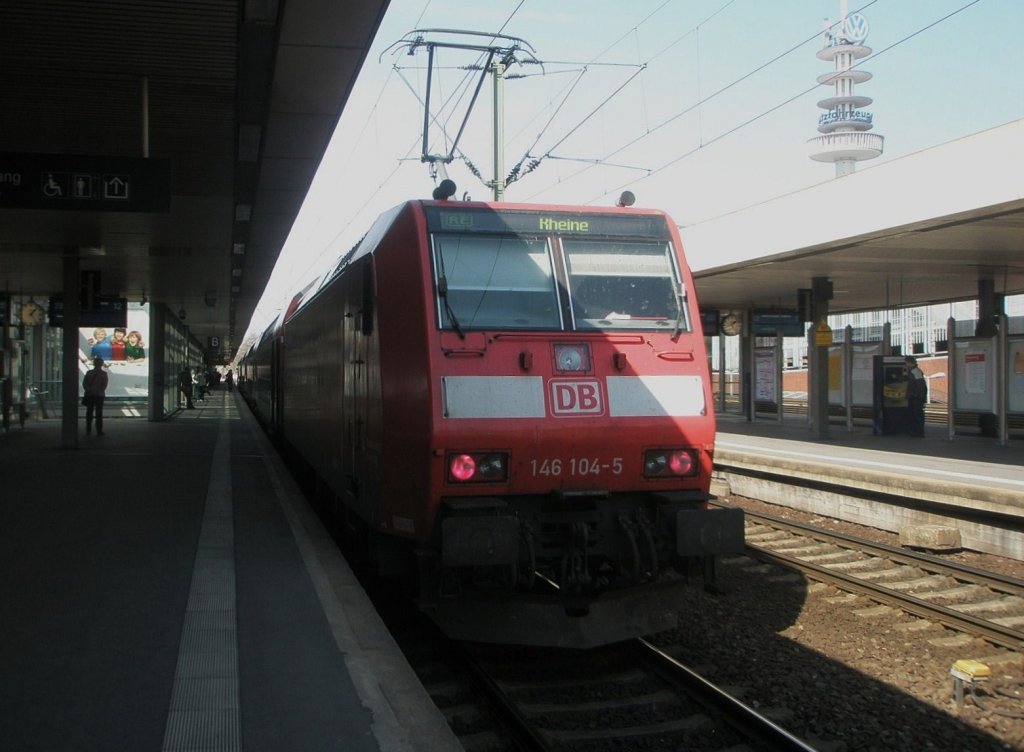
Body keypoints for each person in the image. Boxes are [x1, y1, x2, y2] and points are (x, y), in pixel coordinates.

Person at [82, 357, 109, 435]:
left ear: (94, 364)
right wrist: (98, 391)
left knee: (89, 412)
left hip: (90, 395)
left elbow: (84, 384)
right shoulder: (104, 374)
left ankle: (88, 430)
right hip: (99, 395)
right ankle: (99, 430)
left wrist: (89, 390)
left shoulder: (89, 373)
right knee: (99, 413)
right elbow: (104, 385)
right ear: (101, 364)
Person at [905, 356, 927, 437]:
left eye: (906, 363)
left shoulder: (915, 371)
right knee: (914, 414)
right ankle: (916, 431)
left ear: (910, 362)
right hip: (915, 396)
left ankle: (919, 431)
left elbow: (920, 385)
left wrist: (916, 395)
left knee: (917, 414)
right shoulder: (913, 371)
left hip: (916, 397)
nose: (905, 364)